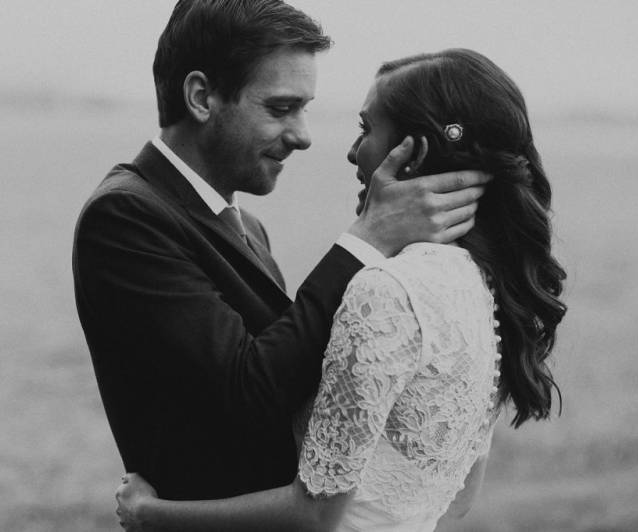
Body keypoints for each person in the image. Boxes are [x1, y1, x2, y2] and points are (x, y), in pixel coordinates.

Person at [114, 48, 567, 532]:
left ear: (414, 153)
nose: (353, 151)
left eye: (366, 129)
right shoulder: (485, 289)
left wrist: (153, 515)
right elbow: (458, 499)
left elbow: (315, 515)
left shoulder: (385, 290)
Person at [73, 0, 487, 507]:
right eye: (280, 108)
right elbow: (250, 394)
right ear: (202, 97)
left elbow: (293, 374)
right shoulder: (125, 216)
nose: (303, 136)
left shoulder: (249, 226)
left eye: (304, 109)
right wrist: (367, 240)